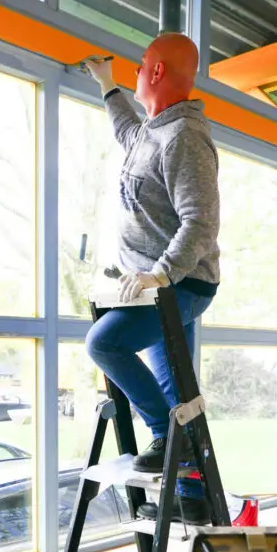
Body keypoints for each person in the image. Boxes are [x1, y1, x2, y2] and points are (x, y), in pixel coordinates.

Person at [83, 34, 220, 523]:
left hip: (180, 284)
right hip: (160, 289)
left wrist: (159, 275)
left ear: (157, 71)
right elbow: (128, 134)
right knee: (179, 388)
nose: (137, 71)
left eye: (141, 65)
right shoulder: (153, 132)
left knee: (104, 344)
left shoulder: (185, 136)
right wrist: (107, 86)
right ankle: (194, 499)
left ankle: (166, 438)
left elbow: (201, 221)